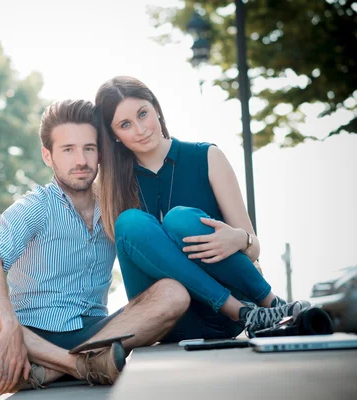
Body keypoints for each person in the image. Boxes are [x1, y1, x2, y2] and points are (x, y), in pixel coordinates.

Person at [0, 99, 191, 396]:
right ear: (47, 156)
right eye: (68, 150)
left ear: (100, 152)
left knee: (174, 293)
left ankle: (45, 372)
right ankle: (76, 366)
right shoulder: (34, 207)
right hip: (29, 334)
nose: (81, 160)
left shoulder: (116, 205)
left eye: (89, 148)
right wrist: (9, 325)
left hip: (98, 336)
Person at [94, 76, 309, 342]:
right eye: (125, 124)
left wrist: (240, 238)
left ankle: (271, 305)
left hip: (227, 316)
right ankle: (244, 312)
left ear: (156, 109)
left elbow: (254, 249)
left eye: (142, 114)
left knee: (180, 220)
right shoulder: (110, 188)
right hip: (169, 317)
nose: (140, 129)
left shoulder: (207, 157)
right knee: (129, 223)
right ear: (114, 136)